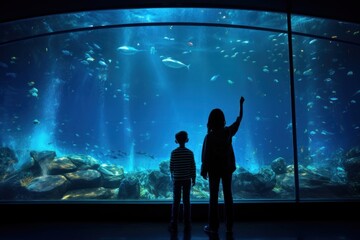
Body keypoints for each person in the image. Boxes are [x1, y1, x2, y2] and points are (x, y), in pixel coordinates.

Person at [201, 96, 245, 235]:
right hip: (227, 168)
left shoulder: (209, 137)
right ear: (223, 120)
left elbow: (205, 155)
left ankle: (213, 226)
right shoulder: (228, 132)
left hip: (214, 169)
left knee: (213, 197)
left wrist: (204, 169)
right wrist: (241, 105)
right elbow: (238, 121)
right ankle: (229, 225)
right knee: (228, 195)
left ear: (210, 122)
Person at [169, 131, 196, 232]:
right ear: (187, 140)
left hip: (177, 180)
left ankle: (174, 223)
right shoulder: (190, 153)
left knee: (176, 201)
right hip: (186, 180)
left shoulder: (173, 153)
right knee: (186, 201)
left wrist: (173, 175)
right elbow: (193, 167)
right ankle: (187, 223)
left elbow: (171, 167)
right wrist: (193, 178)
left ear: (176, 141)